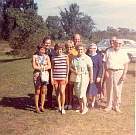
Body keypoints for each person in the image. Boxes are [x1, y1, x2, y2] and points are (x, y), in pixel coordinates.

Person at [104, 39, 129, 112]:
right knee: (109, 89)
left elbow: (126, 64)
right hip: (110, 71)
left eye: (120, 43)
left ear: (122, 44)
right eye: (116, 43)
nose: (118, 45)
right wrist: (106, 71)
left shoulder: (123, 52)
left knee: (118, 90)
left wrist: (124, 74)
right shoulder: (108, 51)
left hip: (119, 72)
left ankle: (116, 106)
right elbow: (105, 62)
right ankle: (109, 106)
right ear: (113, 43)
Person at [70, 45, 93, 114]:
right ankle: (81, 107)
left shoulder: (87, 58)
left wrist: (91, 78)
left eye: (81, 49)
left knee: (82, 93)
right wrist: (74, 71)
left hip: (84, 77)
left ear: (84, 50)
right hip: (77, 78)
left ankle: (85, 108)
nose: (80, 51)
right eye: (79, 50)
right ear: (77, 50)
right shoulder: (74, 58)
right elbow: (71, 67)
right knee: (78, 93)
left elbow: (91, 69)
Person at [32, 44, 51, 113]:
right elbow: (34, 66)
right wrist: (42, 68)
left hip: (45, 75)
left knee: (43, 91)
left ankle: (42, 106)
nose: (42, 51)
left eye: (44, 49)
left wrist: (44, 68)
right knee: (37, 91)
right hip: (37, 75)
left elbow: (49, 66)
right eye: (41, 49)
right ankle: (36, 107)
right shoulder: (35, 56)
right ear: (38, 49)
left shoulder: (47, 56)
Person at [51, 43, 69, 114]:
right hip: (55, 77)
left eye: (61, 49)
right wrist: (51, 78)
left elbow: (67, 67)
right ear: (55, 50)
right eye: (58, 49)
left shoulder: (65, 56)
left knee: (62, 92)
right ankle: (59, 107)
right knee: (57, 93)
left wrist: (67, 76)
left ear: (62, 50)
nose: (59, 51)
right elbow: (52, 68)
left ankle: (63, 107)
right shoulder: (53, 57)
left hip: (63, 77)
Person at [86, 43, 103, 108]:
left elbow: (101, 67)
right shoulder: (87, 56)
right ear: (89, 49)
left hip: (95, 75)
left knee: (94, 89)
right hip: (88, 74)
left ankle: (93, 102)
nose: (92, 49)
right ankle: (87, 101)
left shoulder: (98, 56)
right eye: (91, 48)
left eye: (94, 48)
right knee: (87, 89)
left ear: (96, 49)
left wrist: (99, 76)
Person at [42, 36, 55, 108]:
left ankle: (49, 102)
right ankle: (41, 103)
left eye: (49, 43)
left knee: (50, 87)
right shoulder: (40, 50)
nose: (47, 44)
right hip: (42, 72)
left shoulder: (53, 51)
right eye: (46, 43)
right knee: (42, 87)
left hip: (50, 72)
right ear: (43, 43)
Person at [64, 41, 77, 110]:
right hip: (64, 73)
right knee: (66, 89)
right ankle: (66, 103)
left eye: (71, 47)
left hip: (72, 74)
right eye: (67, 47)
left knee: (70, 89)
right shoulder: (64, 54)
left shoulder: (74, 55)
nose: (69, 48)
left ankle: (70, 103)